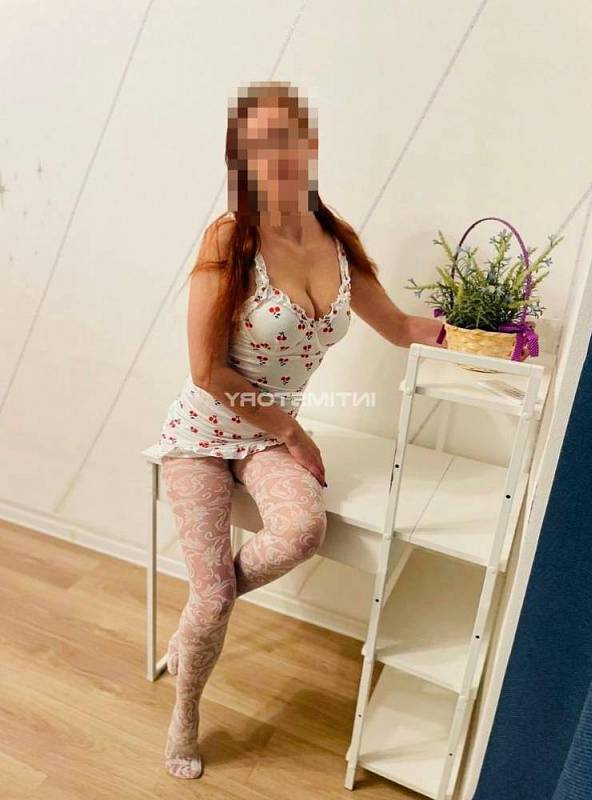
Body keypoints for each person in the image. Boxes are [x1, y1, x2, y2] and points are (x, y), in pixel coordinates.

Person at [157, 80, 444, 780]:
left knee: (300, 532)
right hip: (202, 435)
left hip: (265, 440)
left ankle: (196, 620)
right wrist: (293, 432)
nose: (275, 157)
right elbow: (206, 370)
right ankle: (185, 711)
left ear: (308, 144)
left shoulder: (335, 239)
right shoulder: (230, 237)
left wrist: (482, 332)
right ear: (241, 159)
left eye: (285, 138)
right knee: (214, 596)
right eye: (257, 145)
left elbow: (399, 327)